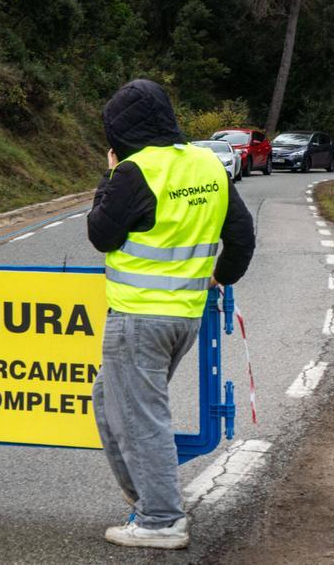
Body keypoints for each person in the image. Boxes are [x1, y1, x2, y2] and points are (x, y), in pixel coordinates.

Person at [87, 79, 255, 549]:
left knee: (141, 418)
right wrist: (223, 275)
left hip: (138, 318)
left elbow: (101, 235)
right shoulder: (207, 165)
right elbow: (241, 236)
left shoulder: (134, 171)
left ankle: (161, 520)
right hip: (184, 316)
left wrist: (110, 175)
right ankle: (147, 501)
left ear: (120, 131)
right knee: (109, 403)